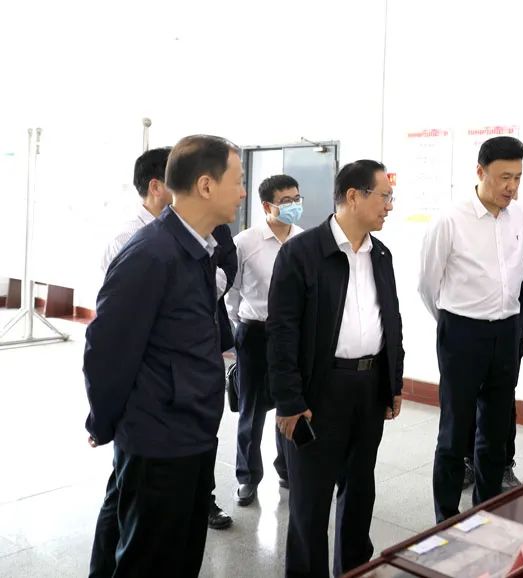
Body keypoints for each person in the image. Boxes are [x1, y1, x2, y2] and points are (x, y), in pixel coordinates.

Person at [83, 135, 246, 576]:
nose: (243, 192)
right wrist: (104, 421)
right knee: (150, 561)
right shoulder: (151, 254)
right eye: (237, 181)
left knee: (181, 555)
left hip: (193, 430)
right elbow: (107, 350)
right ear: (206, 185)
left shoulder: (198, 249)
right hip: (158, 440)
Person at [267, 160, 404, 578]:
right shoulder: (302, 253)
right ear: (353, 196)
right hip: (319, 391)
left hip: (368, 387)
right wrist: (289, 401)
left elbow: (391, 320)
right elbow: (281, 333)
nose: (389, 206)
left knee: (360, 493)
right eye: (384, 197)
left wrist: (393, 383)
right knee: (310, 504)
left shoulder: (381, 254)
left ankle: (355, 571)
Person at [419, 136, 523, 522]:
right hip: (461, 333)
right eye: (504, 177)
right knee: (455, 431)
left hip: (507, 331)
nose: (511, 187)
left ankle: (487, 510)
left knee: (496, 431)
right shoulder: (450, 220)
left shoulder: (521, 217)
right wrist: (453, 324)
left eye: (517, 177)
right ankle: (446, 518)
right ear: (480, 172)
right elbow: (427, 284)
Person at [225, 174, 303, 505]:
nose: (294, 205)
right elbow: (232, 291)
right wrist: (241, 322)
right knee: (252, 410)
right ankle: (247, 477)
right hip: (255, 332)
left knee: (289, 403)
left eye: (297, 199)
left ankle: (287, 469)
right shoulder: (246, 242)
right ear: (267, 205)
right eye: (286, 201)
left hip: (292, 335)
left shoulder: (303, 240)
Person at [463, 222, 523, 490]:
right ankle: (469, 462)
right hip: (472, 324)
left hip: (512, 327)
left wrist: (486, 270)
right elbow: (461, 275)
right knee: (469, 394)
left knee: (503, 397)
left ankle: (504, 465)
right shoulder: (467, 226)